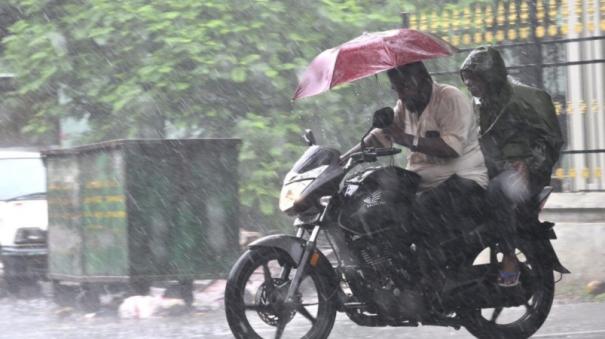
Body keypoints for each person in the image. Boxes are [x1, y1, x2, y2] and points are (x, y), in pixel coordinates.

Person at [343, 61, 488, 240]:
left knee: (416, 215)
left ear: (426, 81)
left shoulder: (450, 97)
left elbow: (451, 148)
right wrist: (342, 161)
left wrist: (405, 138)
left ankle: (431, 266)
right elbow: (381, 135)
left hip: (464, 182)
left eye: (406, 87)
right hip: (420, 185)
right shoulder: (405, 105)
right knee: (375, 210)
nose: (402, 95)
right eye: (396, 89)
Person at [460, 47, 563, 286]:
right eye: (466, 79)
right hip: (492, 168)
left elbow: (552, 139)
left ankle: (509, 257)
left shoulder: (527, 98)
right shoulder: (479, 104)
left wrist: (529, 165)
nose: (468, 84)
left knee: (499, 190)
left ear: (490, 76)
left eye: (474, 78)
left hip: (524, 172)